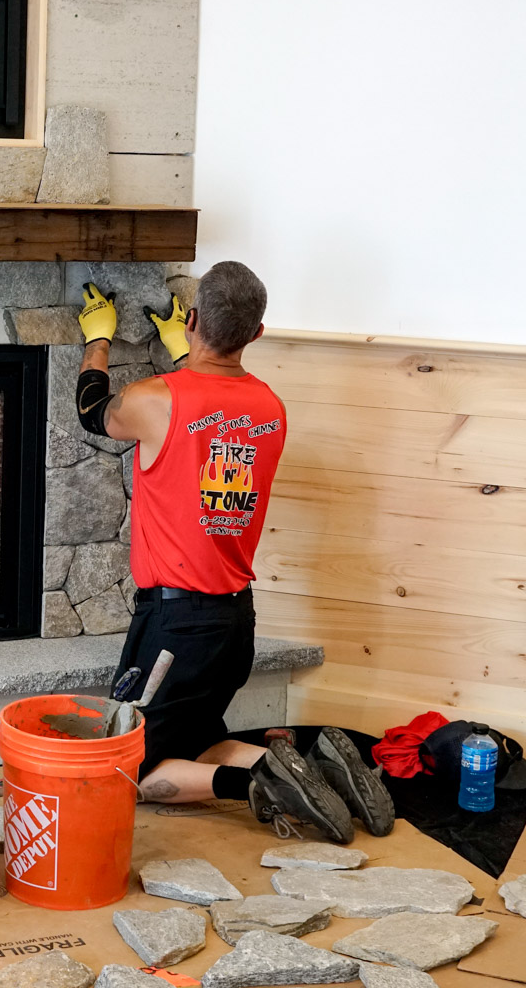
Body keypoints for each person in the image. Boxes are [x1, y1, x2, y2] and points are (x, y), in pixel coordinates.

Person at [75, 261, 393, 842]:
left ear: (193, 320)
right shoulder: (271, 409)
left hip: (175, 625)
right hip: (233, 621)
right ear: (257, 334)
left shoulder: (152, 399)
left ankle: (259, 783)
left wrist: (98, 337)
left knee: (126, 767)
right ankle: (322, 770)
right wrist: (187, 348)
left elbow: (93, 412)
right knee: (192, 740)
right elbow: (207, 414)